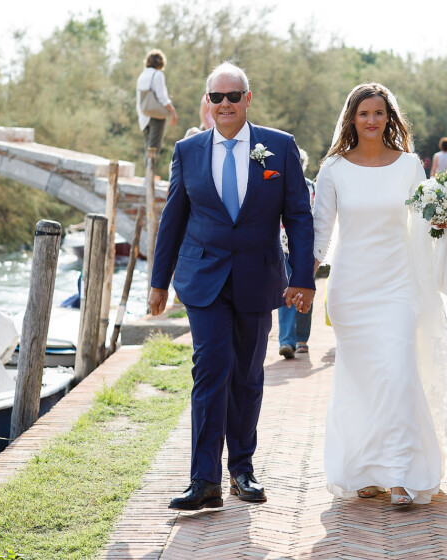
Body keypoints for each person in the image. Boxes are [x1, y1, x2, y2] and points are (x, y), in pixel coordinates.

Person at [148, 62, 316, 511]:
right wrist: (158, 282)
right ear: (207, 102)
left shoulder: (278, 148)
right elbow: (173, 219)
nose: (225, 104)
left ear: (247, 99)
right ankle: (203, 480)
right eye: (216, 97)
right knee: (210, 369)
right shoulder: (188, 151)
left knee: (246, 374)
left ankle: (242, 469)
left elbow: (298, 217)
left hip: (258, 276)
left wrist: (303, 278)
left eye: (233, 96)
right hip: (203, 279)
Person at [313, 83, 447, 506]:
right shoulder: (333, 168)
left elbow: (421, 223)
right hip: (350, 288)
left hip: (398, 285)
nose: (372, 120)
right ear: (352, 117)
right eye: (364, 113)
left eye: (379, 113)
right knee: (362, 378)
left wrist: (441, 223)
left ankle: (404, 473)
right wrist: (300, 278)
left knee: (400, 374)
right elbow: (320, 231)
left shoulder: (408, 166)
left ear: (390, 118)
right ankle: (366, 471)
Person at [278, 147, 315, 358]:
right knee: (285, 293)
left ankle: (302, 338)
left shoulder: (312, 187)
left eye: (300, 162)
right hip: (282, 247)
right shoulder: (277, 185)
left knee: (306, 291)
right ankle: (286, 342)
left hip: (306, 250)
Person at [136, 49, 178, 160]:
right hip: (156, 116)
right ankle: (149, 175)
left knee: (148, 148)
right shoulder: (158, 74)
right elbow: (162, 97)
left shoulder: (142, 75)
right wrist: (173, 111)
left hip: (143, 116)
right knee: (154, 149)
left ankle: (148, 174)